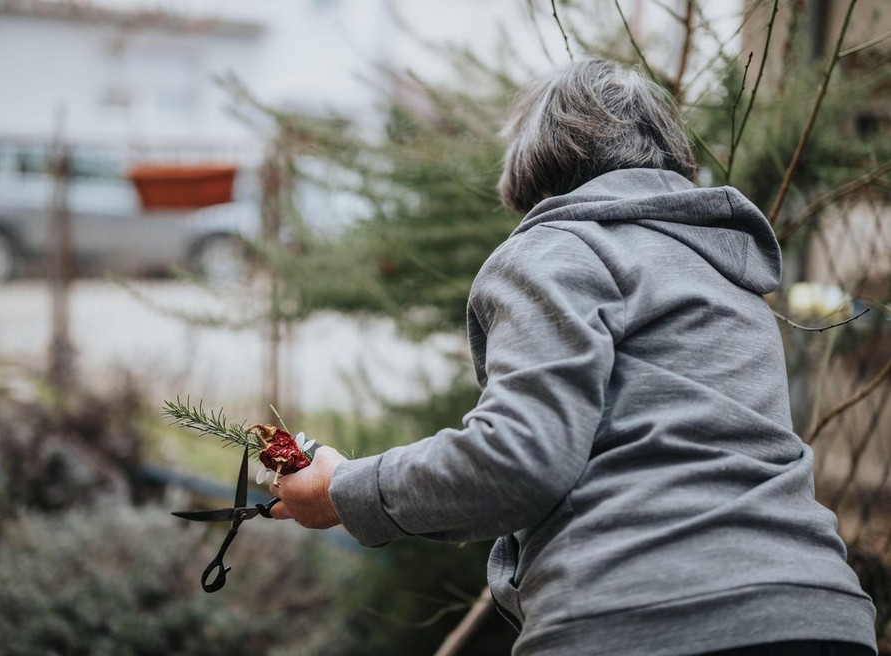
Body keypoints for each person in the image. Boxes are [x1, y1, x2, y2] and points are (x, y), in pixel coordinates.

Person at [268, 59, 878, 656]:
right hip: (819, 612)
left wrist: (345, 489)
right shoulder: (731, 277)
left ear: (534, 167)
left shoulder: (558, 247)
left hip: (640, 617)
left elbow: (519, 458)